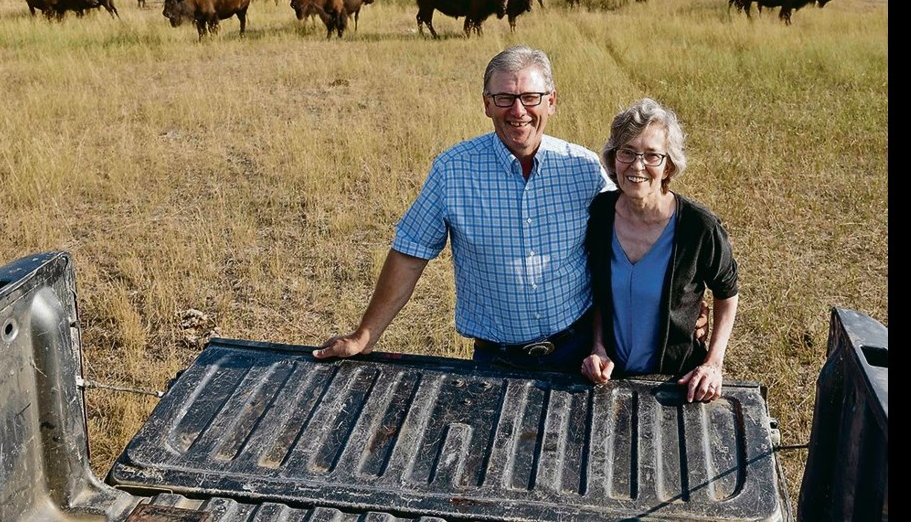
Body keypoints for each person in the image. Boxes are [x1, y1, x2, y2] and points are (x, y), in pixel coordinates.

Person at [312, 45, 615, 371]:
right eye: (504, 98)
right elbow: (409, 254)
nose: (518, 111)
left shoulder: (583, 168)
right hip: (495, 361)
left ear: (551, 101)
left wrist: (603, 344)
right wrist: (364, 336)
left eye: (530, 97)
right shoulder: (452, 170)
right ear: (487, 104)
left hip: (580, 355)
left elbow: (621, 252)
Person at [580, 97, 738, 402]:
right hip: (611, 382)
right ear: (614, 158)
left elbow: (727, 292)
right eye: (627, 152)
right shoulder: (600, 214)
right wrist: (597, 347)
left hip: (675, 384)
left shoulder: (698, 227)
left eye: (652, 156)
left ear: (668, 166)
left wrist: (713, 363)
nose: (638, 165)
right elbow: (599, 291)